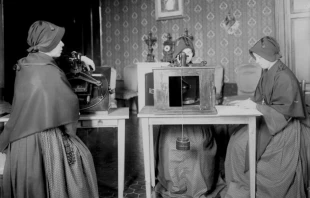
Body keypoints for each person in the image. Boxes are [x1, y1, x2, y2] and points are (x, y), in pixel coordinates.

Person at [0, 20, 99, 198]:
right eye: (56, 41)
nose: (61, 44)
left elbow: (56, 59)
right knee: (82, 158)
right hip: (43, 140)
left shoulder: (26, 63)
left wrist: (80, 58)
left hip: (20, 143)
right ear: (45, 43)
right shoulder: (49, 71)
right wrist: (70, 130)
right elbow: (69, 105)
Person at [224, 36, 310, 197]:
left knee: (240, 145)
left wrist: (256, 106)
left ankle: (248, 188)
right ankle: (241, 186)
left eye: (258, 58)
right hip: (270, 119)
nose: (256, 62)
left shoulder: (285, 76)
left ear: (268, 56)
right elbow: (259, 96)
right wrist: (247, 103)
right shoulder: (268, 71)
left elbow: (284, 112)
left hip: (284, 125)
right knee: (236, 138)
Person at [155, 36, 220, 198]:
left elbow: (209, 94)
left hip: (196, 119)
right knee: (171, 146)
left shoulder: (199, 70)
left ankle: (198, 185)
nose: (187, 56)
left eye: (190, 52)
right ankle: (176, 184)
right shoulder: (167, 71)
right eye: (184, 52)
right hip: (174, 121)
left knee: (198, 144)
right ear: (177, 54)